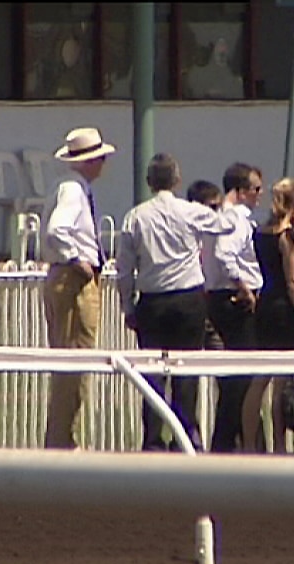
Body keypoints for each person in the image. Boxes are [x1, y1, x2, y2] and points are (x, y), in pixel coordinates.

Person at [116, 154, 234, 452]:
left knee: (152, 373)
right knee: (186, 370)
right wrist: (227, 206)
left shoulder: (135, 216)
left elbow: (124, 268)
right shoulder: (191, 212)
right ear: (177, 180)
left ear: (149, 182)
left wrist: (128, 306)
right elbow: (225, 226)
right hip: (188, 298)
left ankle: (153, 439)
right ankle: (186, 435)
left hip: (152, 301)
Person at [40, 126, 115, 449]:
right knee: (75, 360)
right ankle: (61, 439)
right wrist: (78, 260)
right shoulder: (73, 190)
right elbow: (58, 229)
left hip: (70, 277)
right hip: (74, 280)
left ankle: (61, 435)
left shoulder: (71, 187)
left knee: (73, 360)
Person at [242, 177, 294, 453]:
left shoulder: (261, 232)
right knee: (281, 380)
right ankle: (279, 444)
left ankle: (249, 443)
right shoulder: (287, 236)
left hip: (265, 302)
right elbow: (293, 281)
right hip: (284, 307)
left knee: (260, 379)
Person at [204, 163, 264, 453]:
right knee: (242, 376)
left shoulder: (221, 218)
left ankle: (233, 440)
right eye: (255, 189)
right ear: (239, 192)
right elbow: (225, 254)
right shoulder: (237, 218)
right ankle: (227, 442)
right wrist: (244, 289)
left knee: (235, 377)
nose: (259, 195)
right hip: (235, 300)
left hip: (221, 297)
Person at [187, 179, 226, 352]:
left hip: (214, 301)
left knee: (220, 356)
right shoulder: (186, 235)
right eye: (213, 208)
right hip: (193, 301)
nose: (216, 214)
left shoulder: (220, 235)